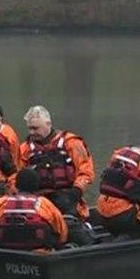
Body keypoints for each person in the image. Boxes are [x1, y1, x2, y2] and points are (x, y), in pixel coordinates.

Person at [19, 105, 95, 245]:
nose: (32, 132)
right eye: (30, 128)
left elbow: (86, 171)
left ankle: (87, 243)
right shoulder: (25, 149)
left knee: (72, 228)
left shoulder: (71, 143)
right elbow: (15, 177)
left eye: (36, 128)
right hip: (39, 201)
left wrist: (76, 192)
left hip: (67, 197)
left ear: (48, 124)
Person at [0, 169, 68, 251]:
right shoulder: (43, 203)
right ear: (37, 185)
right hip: (36, 252)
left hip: (5, 250)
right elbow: (62, 231)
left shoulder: (2, 202)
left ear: (16, 184)